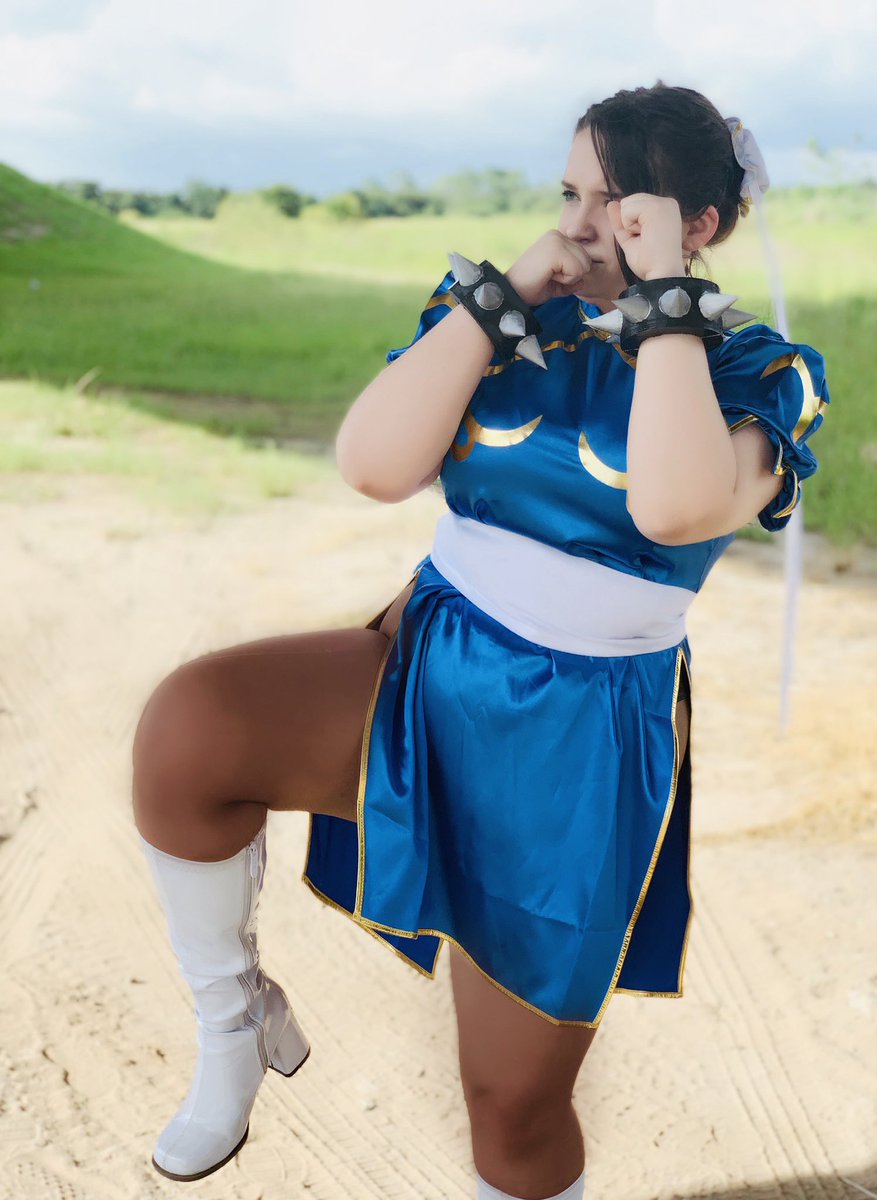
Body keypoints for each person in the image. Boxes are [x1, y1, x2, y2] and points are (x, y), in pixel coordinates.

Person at [131, 81, 830, 1199]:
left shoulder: (762, 371)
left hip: (577, 741)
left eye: (619, 204)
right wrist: (493, 302)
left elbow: (670, 508)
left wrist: (662, 301)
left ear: (696, 223)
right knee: (191, 731)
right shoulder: (510, 320)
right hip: (428, 663)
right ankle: (233, 1023)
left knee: (512, 1113)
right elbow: (372, 467)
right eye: (570, 193)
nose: (580, 226)